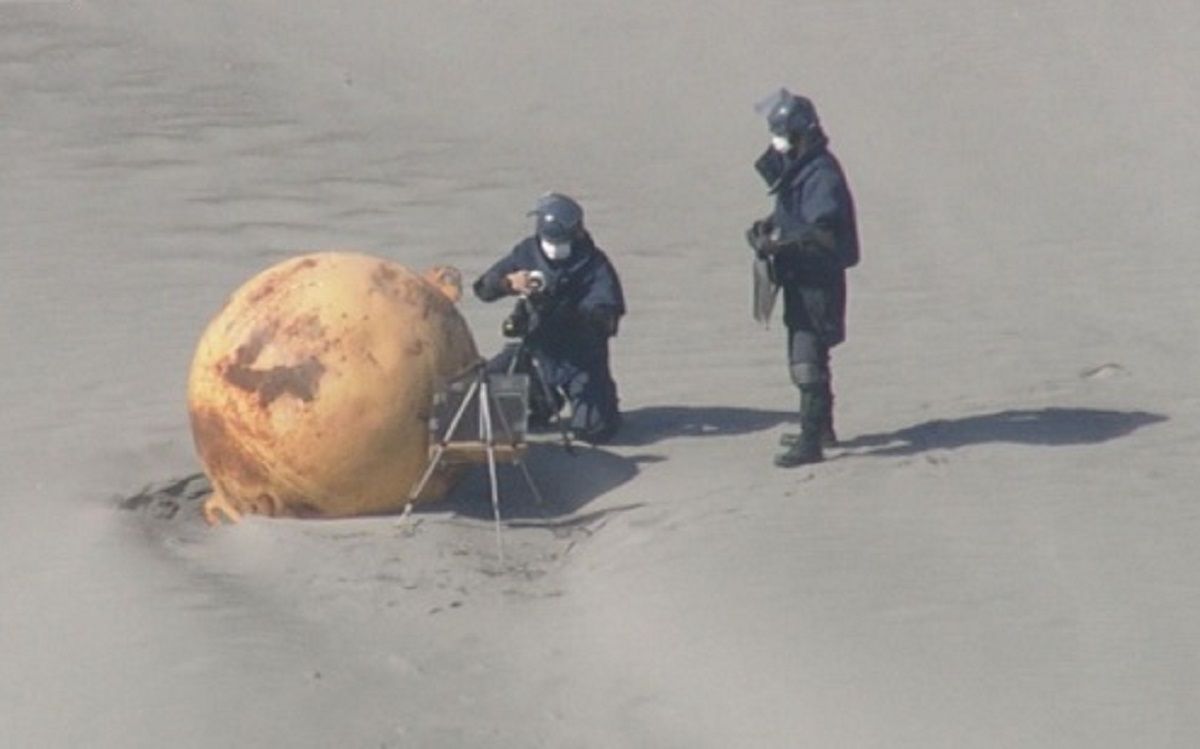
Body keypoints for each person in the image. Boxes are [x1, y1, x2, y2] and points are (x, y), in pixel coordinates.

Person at [745, 89, 860, 467]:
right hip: (800, 277)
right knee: (809, 352)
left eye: (781, 132)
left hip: (817, 282)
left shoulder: (821, 174)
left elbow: (823, 231)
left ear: (800, 132)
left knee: (806, 359)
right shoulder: (801, 166)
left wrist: (782, 246)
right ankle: (821, 428)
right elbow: (790, 213)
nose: (776, 140)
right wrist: (767, 226)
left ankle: (812, 440)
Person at [473, 192, 626, 444]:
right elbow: (483, 289)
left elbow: (606, 316)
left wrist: (572, 313)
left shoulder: (594, 265)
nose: (554, 247)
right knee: (493, 376)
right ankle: (542, 402)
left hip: (580, 359)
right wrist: (507, 284)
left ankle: (605, 405)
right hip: (537, 350)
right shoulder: (526, 253)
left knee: (594, 430)